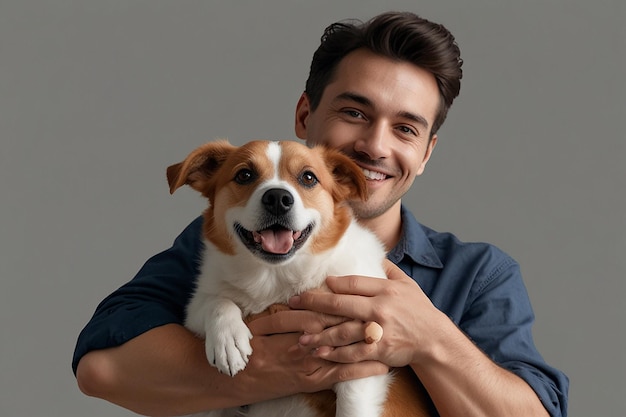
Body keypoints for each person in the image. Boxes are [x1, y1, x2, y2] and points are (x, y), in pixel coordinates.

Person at [73, 11, 568, 417]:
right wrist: (277, 365)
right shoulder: (222, 241)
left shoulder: (479, 276)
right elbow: (101, 368)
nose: (374, 146)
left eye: (406, 129)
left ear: (426, 153)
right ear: (306, 116)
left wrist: (431, 338)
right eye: (355, 112)